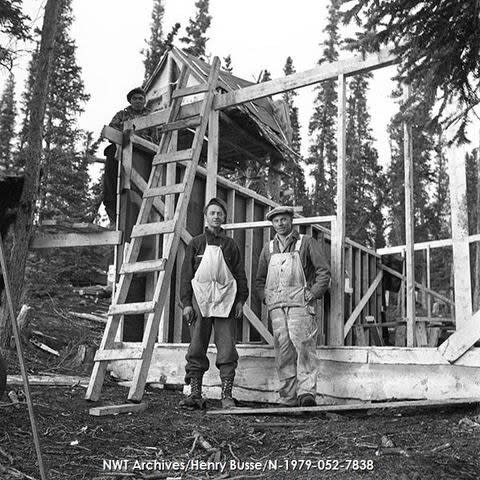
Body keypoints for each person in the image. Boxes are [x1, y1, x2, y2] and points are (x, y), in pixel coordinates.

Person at [255, 206, 330, 407]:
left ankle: (306, 393)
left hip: (300, 306)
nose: (280, 224)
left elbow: (324, 272)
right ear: (272, 224)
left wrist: (313, 293)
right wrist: (266, 298)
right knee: (283, 350)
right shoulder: (268, 248)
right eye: (276, 221)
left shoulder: (306, 243)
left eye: (284, 219)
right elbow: (259, 280)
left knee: (305, 347)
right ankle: (287, 396)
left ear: (291, 221)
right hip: (277, 308)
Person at [179, 197, 249, 409]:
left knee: (227, 348)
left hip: (226, 301)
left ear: (224, 217)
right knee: (196, 345)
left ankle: (226, 395)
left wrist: (240, 300)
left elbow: (239, 274)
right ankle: (195, 394)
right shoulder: (196, 243)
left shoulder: (230, 245)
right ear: (206, 217)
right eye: (212, 213)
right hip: (200, 300)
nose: (216, 217)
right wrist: (187, 303)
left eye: (220, 213)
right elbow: (186, 275)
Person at [103, 87, 155, 224]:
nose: (138, 101)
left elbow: (156, 138)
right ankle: (112, 209)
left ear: (144, 101)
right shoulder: (122, 115)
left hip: (142, 151)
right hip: (122, 148)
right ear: (130, 101)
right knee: (111, 157)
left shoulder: (151, 116)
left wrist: (139, 138)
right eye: (135, 98)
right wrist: (124, 136)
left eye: (140, 98)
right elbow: (111, 131)